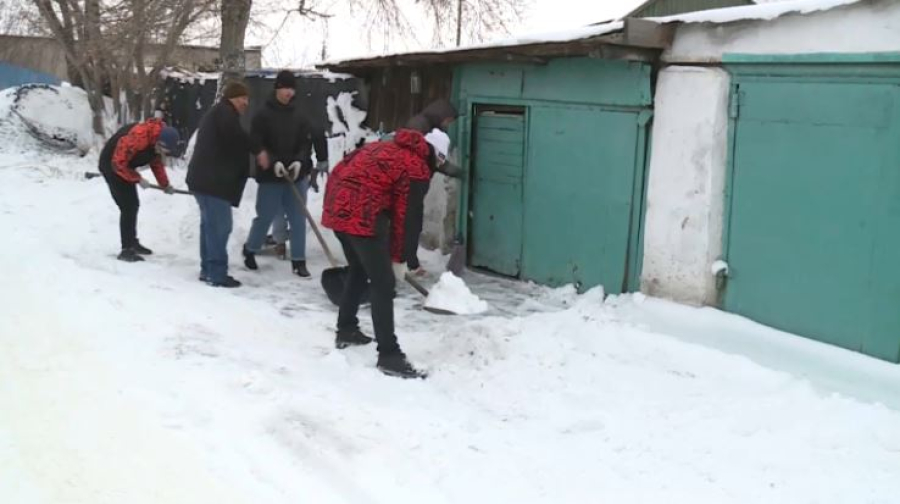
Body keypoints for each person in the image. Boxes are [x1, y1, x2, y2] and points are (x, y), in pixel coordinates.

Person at [322, 128, 451, 379]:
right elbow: (407, 219)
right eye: (441, 162)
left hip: (337, 209)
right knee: (383, 284)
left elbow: (342, 168)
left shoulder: (384, 147)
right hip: (362, 217)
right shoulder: (416, 168)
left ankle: (346, 329)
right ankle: (389, 355)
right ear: (437, 155)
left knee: (359, 270)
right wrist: (401, 258)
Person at [242, 70, 327, 278]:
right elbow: (256, 142)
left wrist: (299, 161)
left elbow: (305, 144)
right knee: (265, 216)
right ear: (277, 89)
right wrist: (273, 162)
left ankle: (298, 261)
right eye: (285, 88)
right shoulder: (263, 115)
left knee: (298, 218)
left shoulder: (300, 115)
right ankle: (250, 249)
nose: (289, 92)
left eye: (292, 89)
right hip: (271, 176)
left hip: (296, 176)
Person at [187, 81, 269, 288]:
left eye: (247, 99)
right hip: (212, 182)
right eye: (242, 98)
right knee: (220, 227)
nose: (246, 103)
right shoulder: (224, 113)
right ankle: (216, 274)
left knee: (210, 226)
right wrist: (257, 149)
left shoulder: (220, 114)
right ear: (232, 98)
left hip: (206, 181)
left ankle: (208, 270)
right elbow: (236, 137)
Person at [98, 117, 180, 262]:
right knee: (128, 206)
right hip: (111, 166)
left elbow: (156, 163)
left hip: (126, 167)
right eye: (164, 150)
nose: (164, 153)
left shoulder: (155, 141)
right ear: (159, 142)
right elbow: (118, 163)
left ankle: (132, 242)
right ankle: (126, 250)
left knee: (133, 205)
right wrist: (137, 179)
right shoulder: (139, 137)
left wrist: (165, 185)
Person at [403, 99, 462, 275]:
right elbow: (428, 159)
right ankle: (408, 264)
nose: (448, 124)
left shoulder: (429, 128)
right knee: (410, 225)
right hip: (409, 185)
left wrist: (457, 172)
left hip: (414, 185)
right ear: (441, 115)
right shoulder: (419, 126)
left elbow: (434, 161)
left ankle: (408, 263)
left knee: (411, 225)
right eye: (448, 120)